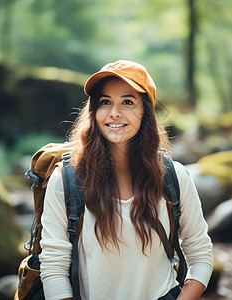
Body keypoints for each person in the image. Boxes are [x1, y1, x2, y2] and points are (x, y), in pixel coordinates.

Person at [39, 60, 213, 300]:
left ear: (146, 112)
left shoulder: (174, 177)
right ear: (94, 111)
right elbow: (53, 267)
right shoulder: (66, 179)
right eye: (105, 102)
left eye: (127, 102)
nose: (114, 113)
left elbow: (200, 253)